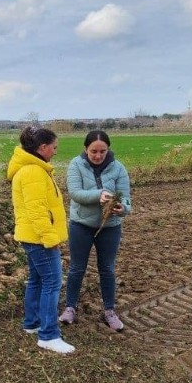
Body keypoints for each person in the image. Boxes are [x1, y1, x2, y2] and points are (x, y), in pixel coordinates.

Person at [7, 126, 75, 354]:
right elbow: (37, 212)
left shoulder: (31, 169)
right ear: (42, 147)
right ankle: (48, 335)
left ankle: (32, 323)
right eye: (54, 147)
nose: (55, 151)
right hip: (39, 238)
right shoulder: (33, 172)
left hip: (32, 237)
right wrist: (50, 238)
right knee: (53, 282)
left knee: (37, 279)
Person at [59, 130, 131, 331]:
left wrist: (122, 208)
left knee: (107, 269)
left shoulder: (118, 168)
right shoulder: (76, 165)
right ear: (85, 150)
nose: (98, 156)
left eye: (103, 151)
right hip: (81, 225)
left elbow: (126, 198)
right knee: (77, 268)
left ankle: (109, 311)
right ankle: (70, 308)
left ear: (108, 149)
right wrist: (99, 194)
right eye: (93, 152)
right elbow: (75, 193)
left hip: (110, 227)